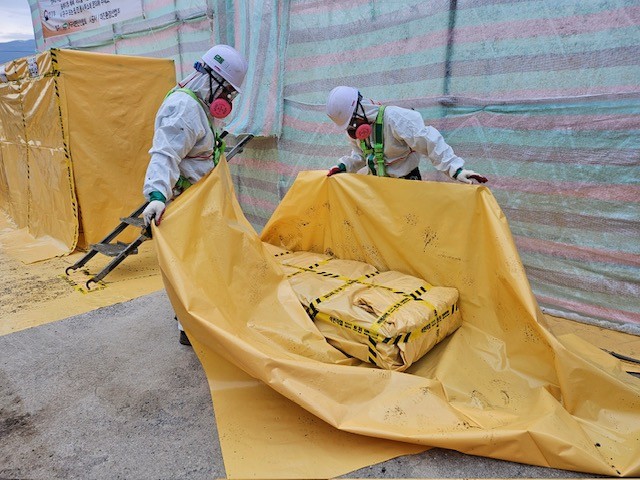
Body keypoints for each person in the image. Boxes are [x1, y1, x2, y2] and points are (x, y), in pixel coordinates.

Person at [141, 44, 248, 345]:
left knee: (203, 264)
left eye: (231, 94)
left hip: (201, 201)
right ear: (212, 79)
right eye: (227, 91)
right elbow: (164, 154)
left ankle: (197, 320)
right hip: (187, 204)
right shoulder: (185, 108)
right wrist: (156, 195)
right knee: (194, 267)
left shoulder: (199, 105)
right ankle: (190, 328)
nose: (227, 99)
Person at [325, 86, 487, 183]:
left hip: (407, 184)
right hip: (378, 187)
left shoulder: (396, 119)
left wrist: (456, 170)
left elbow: (430, 142)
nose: (353, 130)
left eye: (353, 122)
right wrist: (344, 166)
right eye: (349, 126)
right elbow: (360, 156)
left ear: (361, 109)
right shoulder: (356, 132)